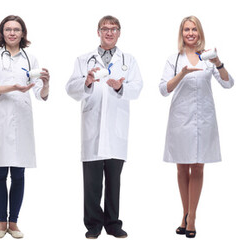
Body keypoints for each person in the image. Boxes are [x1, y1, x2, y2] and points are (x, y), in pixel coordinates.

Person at [66, 15, 143, 239]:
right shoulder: (83, 60)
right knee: (91, 182)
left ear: (119, 32)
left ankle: (112, 223)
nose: (109, 32)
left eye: (114, 29)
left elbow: (137, 88)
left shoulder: (128, 60)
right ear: (98, 32)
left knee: (113, 180)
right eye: (105, 29)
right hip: (92, 127)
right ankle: (93, 225)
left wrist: (120, 87)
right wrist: (86, 82)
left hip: (116, 128)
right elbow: (70, 88)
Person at [159, 15, 234, 239]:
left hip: (204, 120)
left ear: (200, 33)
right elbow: (163, 89)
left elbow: (229, 83)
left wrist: (218, 62)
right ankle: (185, 213)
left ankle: (192, 218)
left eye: (194, 29)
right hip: (180, 121)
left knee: (198, 167)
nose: (190, 33)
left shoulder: (208, 59)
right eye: (186, 30)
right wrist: (182, 74)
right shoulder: (174, 60)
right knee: (182, 168)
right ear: (181, 34)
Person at [0, 15, 50, 239]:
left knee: (19, 173)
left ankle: (15, 223)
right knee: (0, 172)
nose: (12, 33)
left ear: (23, 33)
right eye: (8, 29)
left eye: (16, 29)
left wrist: (46, 84)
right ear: (2, 33)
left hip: (21, 120)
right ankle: (2, 223)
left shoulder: (31, 59)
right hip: (0, 119)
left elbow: (40, 95)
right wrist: (11, 87)